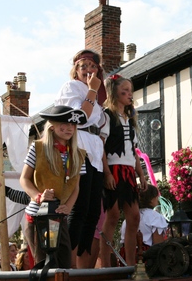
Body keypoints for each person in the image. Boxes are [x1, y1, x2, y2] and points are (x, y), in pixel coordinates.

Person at [54, 49, 109, 269]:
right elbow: (80, 117)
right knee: (80, 204)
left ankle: (83, 262)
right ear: (75, 71)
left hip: (94, 148)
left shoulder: (97, 95)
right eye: (82, 66)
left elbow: (100, 126)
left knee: (93, 209)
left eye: (92, 66)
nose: (88, 70)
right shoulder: (73, 88)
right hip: (79, 145)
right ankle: (70, 258)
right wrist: (92, 90)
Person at [20, 105, 87, 269]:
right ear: (52, 126)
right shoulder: (38, 148)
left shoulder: (79, 154)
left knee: (64, 264)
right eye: (64, 123)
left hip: (59, 215)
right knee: (43, 266)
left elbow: (76, 187)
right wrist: (38, 196)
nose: (69, 128)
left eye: (73, 124)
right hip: (38, 216)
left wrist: (68, 207)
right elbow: (24, 179)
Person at [98, 75, 148, 268]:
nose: (129, 94)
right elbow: (100, 146)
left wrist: (141, 174)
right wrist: (107, 173)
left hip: (128, 171)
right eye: (124, 91)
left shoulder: (130, 119)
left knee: (134, 216)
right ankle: (106, 265)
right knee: (112, 215)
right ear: (114, 92)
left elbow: (134, 151)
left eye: (130, 91)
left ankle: (130, 264)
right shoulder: (107, 115)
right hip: (113, 167)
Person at [119, 185, 168, 261]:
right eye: (157, 197)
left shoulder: (128, 219)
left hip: (126, 257)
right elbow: (158, 245)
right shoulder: (156, 217)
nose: (158, 200)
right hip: (145, 257)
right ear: (152, 199)